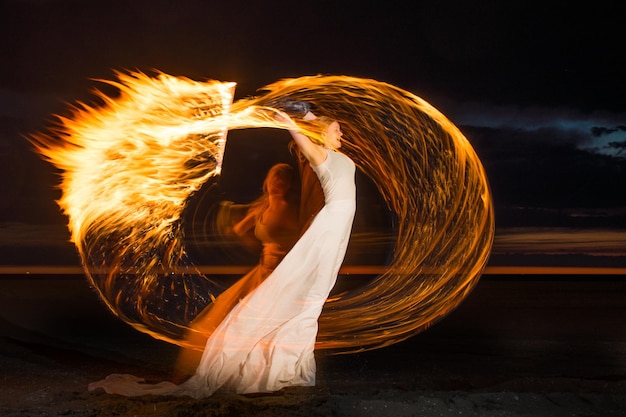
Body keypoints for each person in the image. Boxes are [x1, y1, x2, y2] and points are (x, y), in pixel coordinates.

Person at [88, 106, 356, 398]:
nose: (341, 132)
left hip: (338, 228)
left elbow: (313, 129)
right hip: (328, 229)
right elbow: (304, 138)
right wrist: (290, 122)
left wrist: (308, 115)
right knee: (309, 295)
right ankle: (280, 368)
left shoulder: (334, 155)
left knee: (312, 296)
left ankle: (285, 365)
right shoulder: (322, 156)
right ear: (323, 136)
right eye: (336, 129)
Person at [174, 163, 300, 379]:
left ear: (289, 185)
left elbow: (298, 239)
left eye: (283, 180)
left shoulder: (290, 208)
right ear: (267, 181)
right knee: (227, 320)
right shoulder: (264, 205)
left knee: (256, 325)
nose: (277, 183)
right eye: (274, 178)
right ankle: (226, 372)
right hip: (264, 271)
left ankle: (256, 374)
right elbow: (239, 229)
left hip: (279, 275)